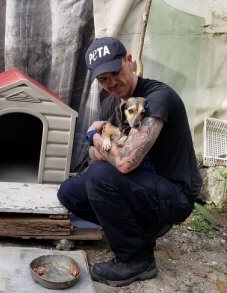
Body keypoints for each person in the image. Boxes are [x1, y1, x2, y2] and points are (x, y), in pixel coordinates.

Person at [57, 37, 201, 287]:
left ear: (130, 61)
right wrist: (103, 145)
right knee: (69, 192)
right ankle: (139, 230)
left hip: (174, 194)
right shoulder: (112, 102)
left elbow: (124, 163)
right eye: (103, 79)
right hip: (141, 186)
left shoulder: (157, 98)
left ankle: (136, 260)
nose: (112, 83)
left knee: (100, 176)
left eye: (116, 72)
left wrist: (95, 137)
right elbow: (96, 155)